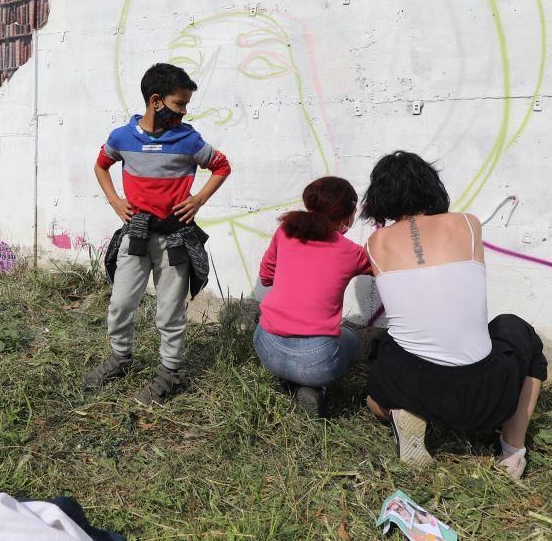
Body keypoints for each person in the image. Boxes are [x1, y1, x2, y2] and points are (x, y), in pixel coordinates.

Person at [360, 151, 546, 481]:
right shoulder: (467, 223)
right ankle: (513, 450)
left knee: (387, 345)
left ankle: (402, 411)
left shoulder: (376, 243)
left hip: (412, 384)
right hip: (486, 395)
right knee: (517, 328)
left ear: (380, 196)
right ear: (431, 186)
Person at [85, 62, 232, 405]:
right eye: (179, 104)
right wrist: (114, 201)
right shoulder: (121, 137)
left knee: (170, 312)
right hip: (135, 236)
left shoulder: (188, 139)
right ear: (156, 101)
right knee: (121, 303)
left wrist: (197, 200)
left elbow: (222, 166)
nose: (183, 112)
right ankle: (120, 359)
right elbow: (101, 165)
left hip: (174, 241)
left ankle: (170, 374)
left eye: (185, 106)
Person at [255, 176, 371, 416]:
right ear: (348, 214)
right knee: (350, 337)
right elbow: (383, 268)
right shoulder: (350, 252)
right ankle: (315, 388)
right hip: (316, 363)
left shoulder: (285, 231)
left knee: (298, 352)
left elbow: (266, 276)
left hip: (266, 346)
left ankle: (290, 382)